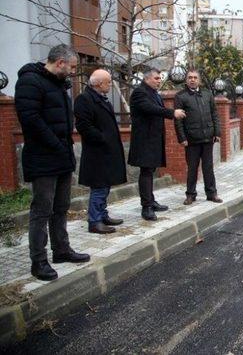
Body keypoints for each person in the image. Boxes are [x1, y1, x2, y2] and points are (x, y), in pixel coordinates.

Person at [14, 44, 90, 281]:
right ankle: (39, 261)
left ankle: (62, 250)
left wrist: (64, 147)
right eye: (72, 67)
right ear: (60, 62)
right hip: (43, 158)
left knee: (61, 207)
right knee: (42, 211)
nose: (72, 73)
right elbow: (31, 120)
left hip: (61, 156)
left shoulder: (58, 84)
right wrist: (57, 145)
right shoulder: (30, 81)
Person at [128, 68, 186, 220]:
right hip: (144, 140)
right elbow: (150, 109)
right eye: (156, 78)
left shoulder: (154, 93)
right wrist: (172, 113)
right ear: (147, 79)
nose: (159, 81)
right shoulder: (140, 93)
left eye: (160, 78)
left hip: (154, 139)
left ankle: (151, 201)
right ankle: (146, 207)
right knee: (146, 172)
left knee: (150, 171)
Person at [74, 69, 126, 234]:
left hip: (107, 152)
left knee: (105, 185)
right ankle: (94, 221)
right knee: (99, 186)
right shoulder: (84, 99)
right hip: (97, 152)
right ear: (98, 83)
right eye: (108, 82)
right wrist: (102, 138)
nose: (110, 85)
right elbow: (84, 126)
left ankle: (102, 215)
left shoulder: (102, 99)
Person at [174, 70, 223, 205]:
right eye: (190, 77)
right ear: (186, 80)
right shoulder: (181, 96)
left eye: (195, 77)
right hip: (191, 140)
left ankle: (212, 193)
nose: (192, 80)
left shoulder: (207, 94)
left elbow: (215, 114)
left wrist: (217, 133)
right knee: (192, 169)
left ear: (199, 80)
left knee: (208, 168)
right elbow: (178, 121)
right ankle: (190, 195)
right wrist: (182, 138)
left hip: (208, 138)